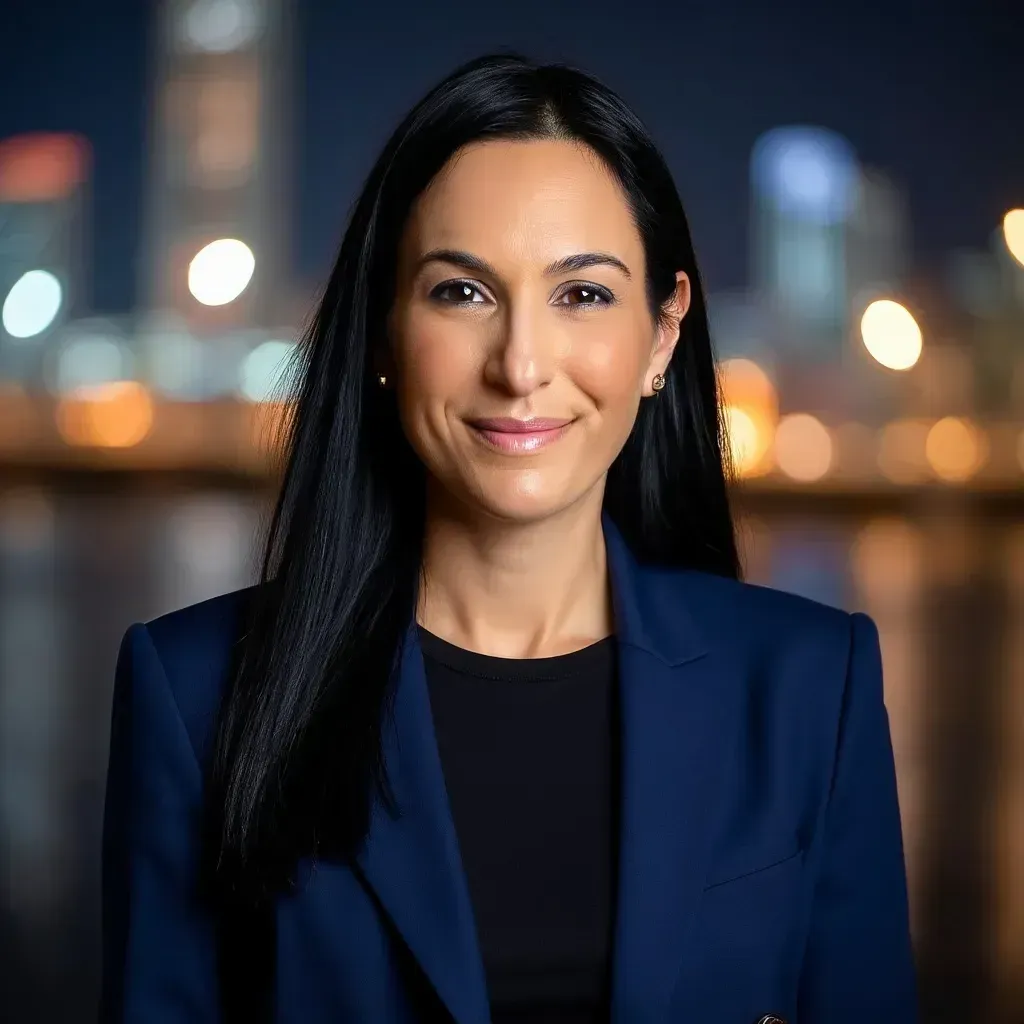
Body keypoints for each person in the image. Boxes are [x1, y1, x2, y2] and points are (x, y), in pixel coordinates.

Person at [99, 52, 918, 1024]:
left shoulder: (808, 688)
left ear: (662, 334)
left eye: (582, 294)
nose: (521, 364)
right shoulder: (193, 694)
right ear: (381, 334)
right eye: (462, 292)